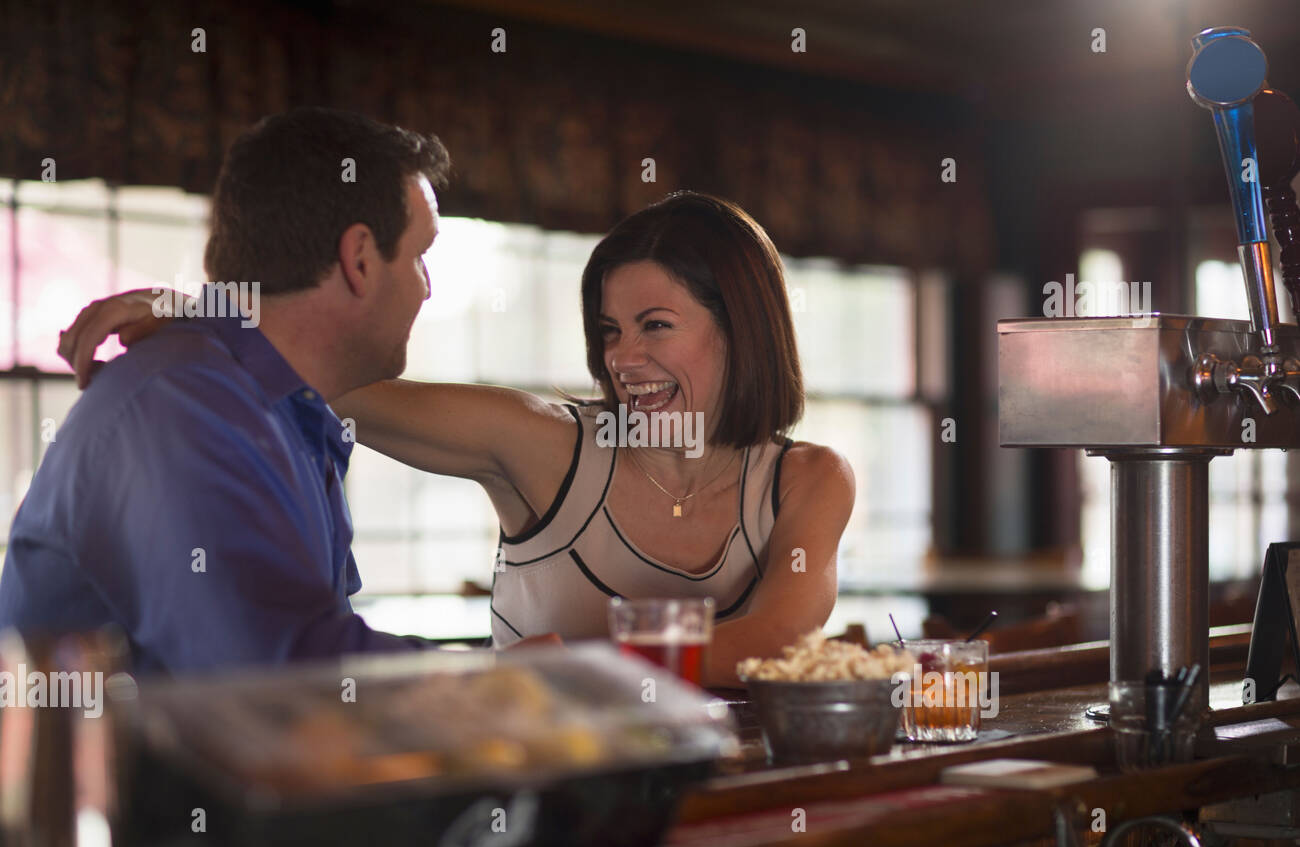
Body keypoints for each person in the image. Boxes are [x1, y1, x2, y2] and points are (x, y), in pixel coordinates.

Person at [58, 191, 854, 686]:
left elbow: (779, 639)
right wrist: (213, 315)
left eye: (656, 326)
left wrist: (577, 665)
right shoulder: (545, 442)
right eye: (610, 330)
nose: (622, 359)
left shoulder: (811, 478)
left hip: (728, 798)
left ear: (742, 330)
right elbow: (333, 377)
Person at [0, 107, 479, 675]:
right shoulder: (184, 403)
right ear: (359, 260)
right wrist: (504, 684)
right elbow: (282, 677)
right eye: (421, 256)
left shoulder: (278, 407)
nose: (428, 289)